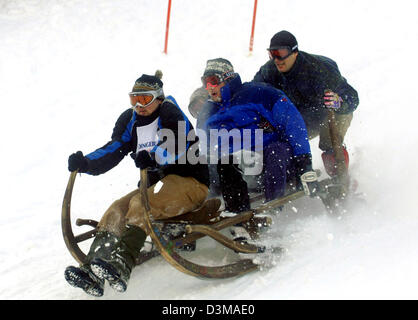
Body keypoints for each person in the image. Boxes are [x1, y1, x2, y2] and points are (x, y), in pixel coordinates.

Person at [64, 72, 209, 297]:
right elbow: (114, 149)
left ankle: (121, 264)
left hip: (190, 182)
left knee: (141, 205)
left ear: (158, 98)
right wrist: (85, 163)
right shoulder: (130, 120)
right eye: (135, 99)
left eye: (145, 99)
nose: (139, 106)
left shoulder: (169, 111)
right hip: (155, 186)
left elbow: (180, 141)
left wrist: (153, 156)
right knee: (117, 210)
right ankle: (93, 268)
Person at [197, 58, 319, 214]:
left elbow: (293, 125)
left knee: (276, 150)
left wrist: (305, 165)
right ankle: (219, 210)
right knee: (211, 162)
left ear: (228, 78)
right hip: (237, 169)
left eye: (213, 81)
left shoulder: (259, 94)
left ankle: (272, 208)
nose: (209, 87)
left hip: (271, 161)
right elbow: (205, 146)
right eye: (205, 82)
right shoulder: (207, 111)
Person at [253, 30, 359, 177]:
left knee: (329, 142)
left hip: (326, 114)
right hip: (297, 120)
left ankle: (340, 177)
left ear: (295, 52)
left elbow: (352, 97)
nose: (277, 59)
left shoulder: (320, 69)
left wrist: (338, 101)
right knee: (274, 137)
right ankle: (287, 174)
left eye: (281, 53)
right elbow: (253, 95)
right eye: (272, 54)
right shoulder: (269, 71)